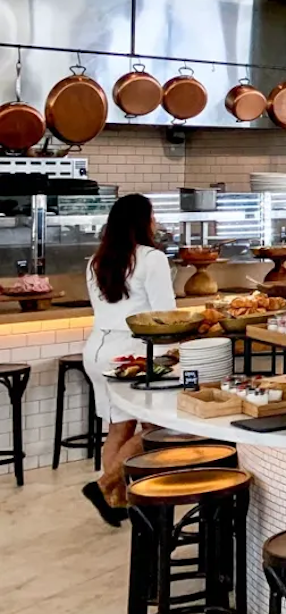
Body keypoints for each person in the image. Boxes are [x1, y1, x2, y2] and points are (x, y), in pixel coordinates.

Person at [81, 194, 176, 525]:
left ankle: (116, 503)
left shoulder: (96, 260)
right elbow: (165, 315)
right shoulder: (151, 259)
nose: (155, 222)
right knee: (158, 427)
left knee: (118, 427)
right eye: (152, 216)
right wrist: (174, 350)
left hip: (96, 349)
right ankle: (105, 486)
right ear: (142, 221)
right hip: (133, 352)